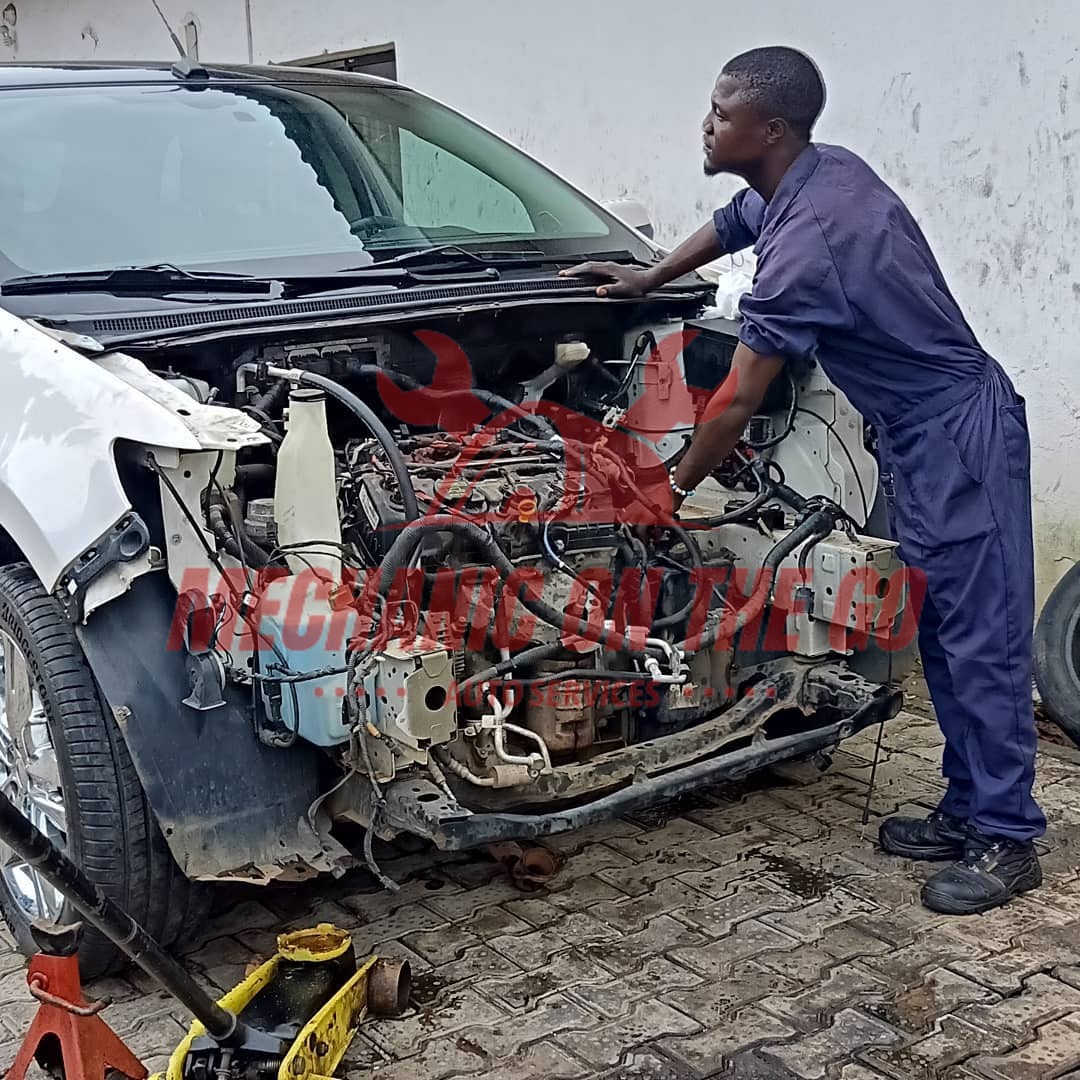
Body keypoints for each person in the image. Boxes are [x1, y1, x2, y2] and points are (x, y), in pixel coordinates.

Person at [563, 45, 1046, 915]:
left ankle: (1009, 839)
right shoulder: (816, 177)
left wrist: (668, 493)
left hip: (957, 439)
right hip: (915, 433)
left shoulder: (811, 248)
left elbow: (737, 398)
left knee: (985, 637)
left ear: (769, 129)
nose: (704, 124)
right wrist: (650, 276)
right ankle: (967, 807)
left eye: (720, 111)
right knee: (941, 632)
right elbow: (735, 218)